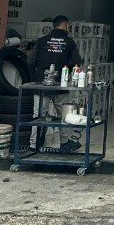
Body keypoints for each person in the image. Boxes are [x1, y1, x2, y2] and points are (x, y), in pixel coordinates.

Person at [27, 15, 83, 151]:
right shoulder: (69, 42)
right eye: (69, 26)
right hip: (60, 84)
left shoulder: (42, 41)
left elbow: (30, 61)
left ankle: (34, 145)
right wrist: (66, 71)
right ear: (64, 25)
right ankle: (64, 143)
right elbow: (77, 61)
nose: (69, 29)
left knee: (38, 116)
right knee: (64, 115)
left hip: (41, 85)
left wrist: (35, 78)